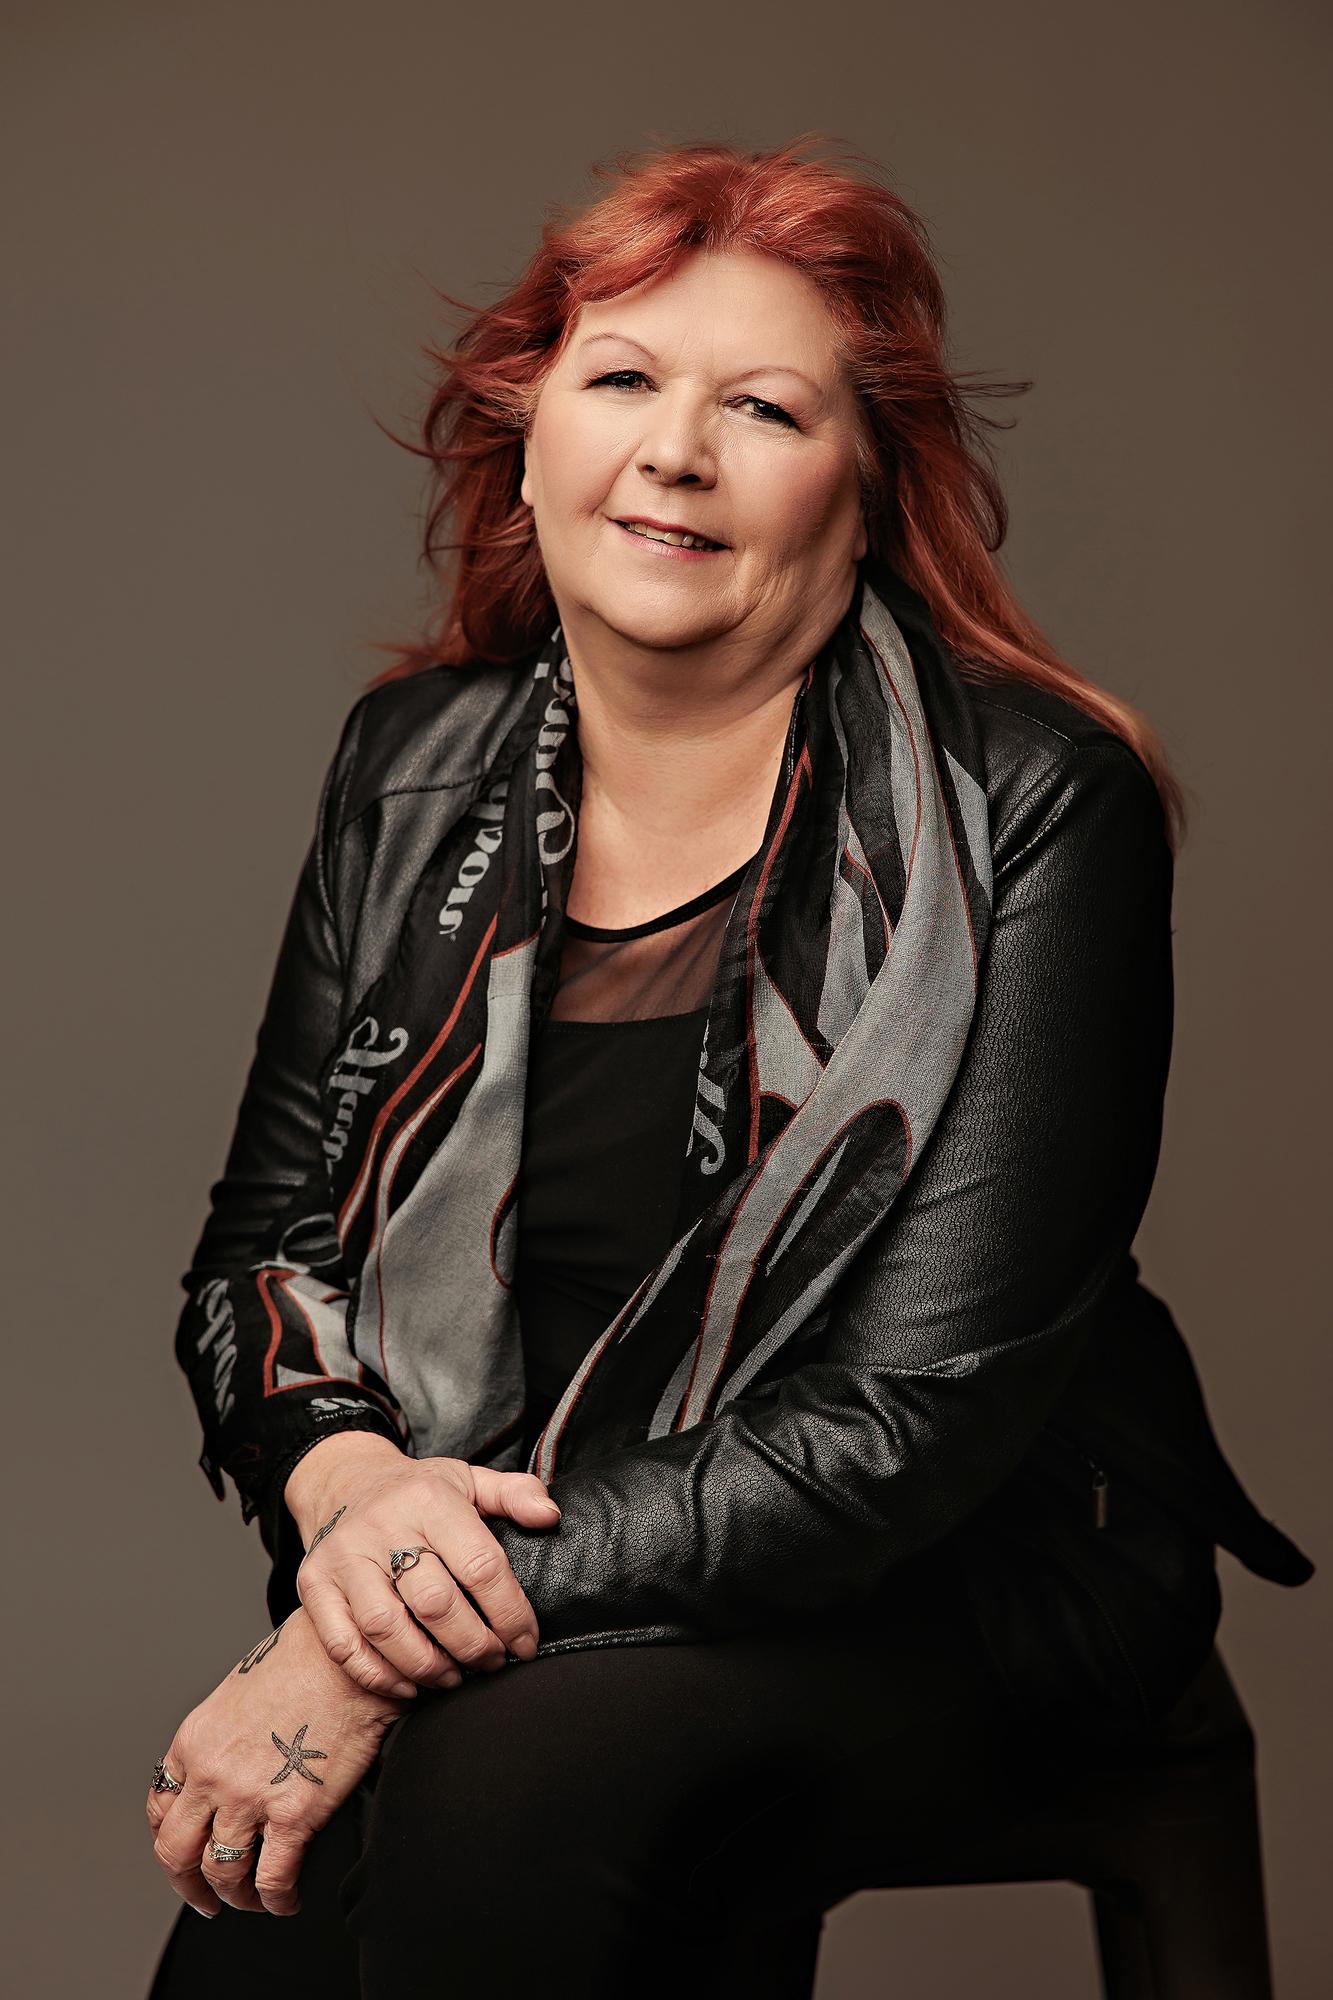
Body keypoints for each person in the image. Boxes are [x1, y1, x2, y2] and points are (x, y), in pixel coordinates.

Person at [145, 135, 1313, 1998]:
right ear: (526, 443)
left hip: (964, 1572)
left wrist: (359, 1643)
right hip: (516, 1530)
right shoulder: (411, 763)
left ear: (866, 489)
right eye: (620, 382)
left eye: (761, 407)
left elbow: (904, 1429)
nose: (672, 453)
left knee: (495, 1789)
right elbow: (263, 1257)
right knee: (275, 1923)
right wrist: (357, 1506)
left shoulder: (1032, 807)